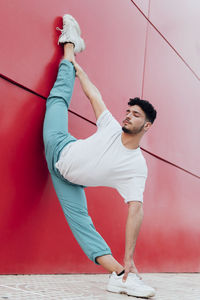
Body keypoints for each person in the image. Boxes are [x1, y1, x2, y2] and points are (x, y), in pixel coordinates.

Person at [43, 14, 157, 298]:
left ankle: (122, 275)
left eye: (136, 115)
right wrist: (78, 70)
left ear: (147, 126)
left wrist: (129, 254)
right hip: (59, 144)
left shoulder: (135, 167)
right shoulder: (110, 127)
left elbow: (135, 208)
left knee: (83, 228)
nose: (128, 117)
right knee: (57, 99)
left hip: (69, 181)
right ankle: (70, 44)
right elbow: (95, 97)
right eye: (128, 112)